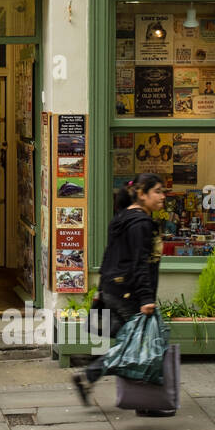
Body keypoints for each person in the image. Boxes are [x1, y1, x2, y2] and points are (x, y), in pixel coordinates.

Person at [72, 173, 169, 415]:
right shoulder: (140, 224)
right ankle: (93, 376)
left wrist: (104, 288)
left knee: (134, 344)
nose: (162, 196)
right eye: (157, 191)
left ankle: (91, 373)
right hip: (128, 292)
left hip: (114, 288)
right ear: (141, 193)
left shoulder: (123, 217)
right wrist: (146, 298)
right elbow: (140, 263)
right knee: (141, 346)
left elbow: (111, 256)